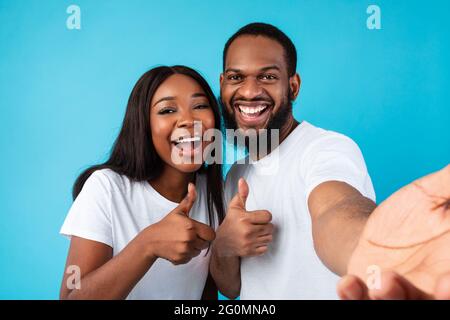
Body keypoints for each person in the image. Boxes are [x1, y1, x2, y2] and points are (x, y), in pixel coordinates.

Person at [210, 22, 450, 300]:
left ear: (293, 86)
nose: (249, 91)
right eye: (236, 77)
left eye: (267, 77)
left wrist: (374, 253)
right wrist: (223, 247)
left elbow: (335, 209)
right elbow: (231, 288)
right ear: (223, 83)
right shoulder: (236, 176)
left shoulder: (327, 148)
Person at [59, 65, 225, 299]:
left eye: (199, 106)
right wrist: (148, 244)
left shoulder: (216, 193)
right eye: (167, 110)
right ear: (143, 124)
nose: (188, 120)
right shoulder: (106, 188)